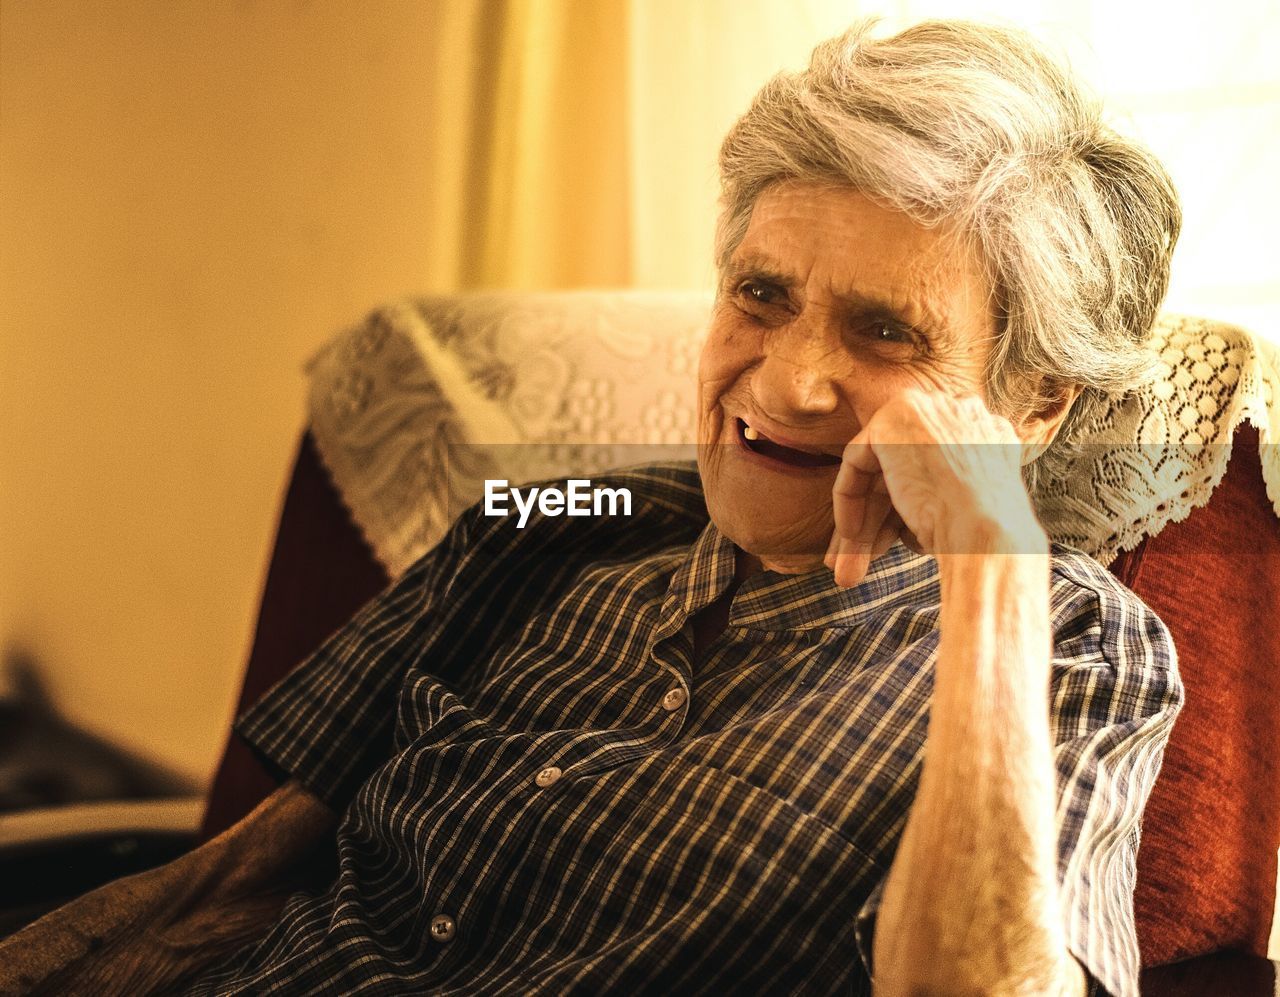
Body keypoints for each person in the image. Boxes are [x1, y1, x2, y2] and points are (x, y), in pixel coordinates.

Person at [0, 18, 1182, 997]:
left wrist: (989, 564)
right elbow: (233, 877)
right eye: (759, 295)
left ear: (1027, 406)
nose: (785, 382)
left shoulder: (1078, 648)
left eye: (885, 331)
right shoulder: (558, 517)